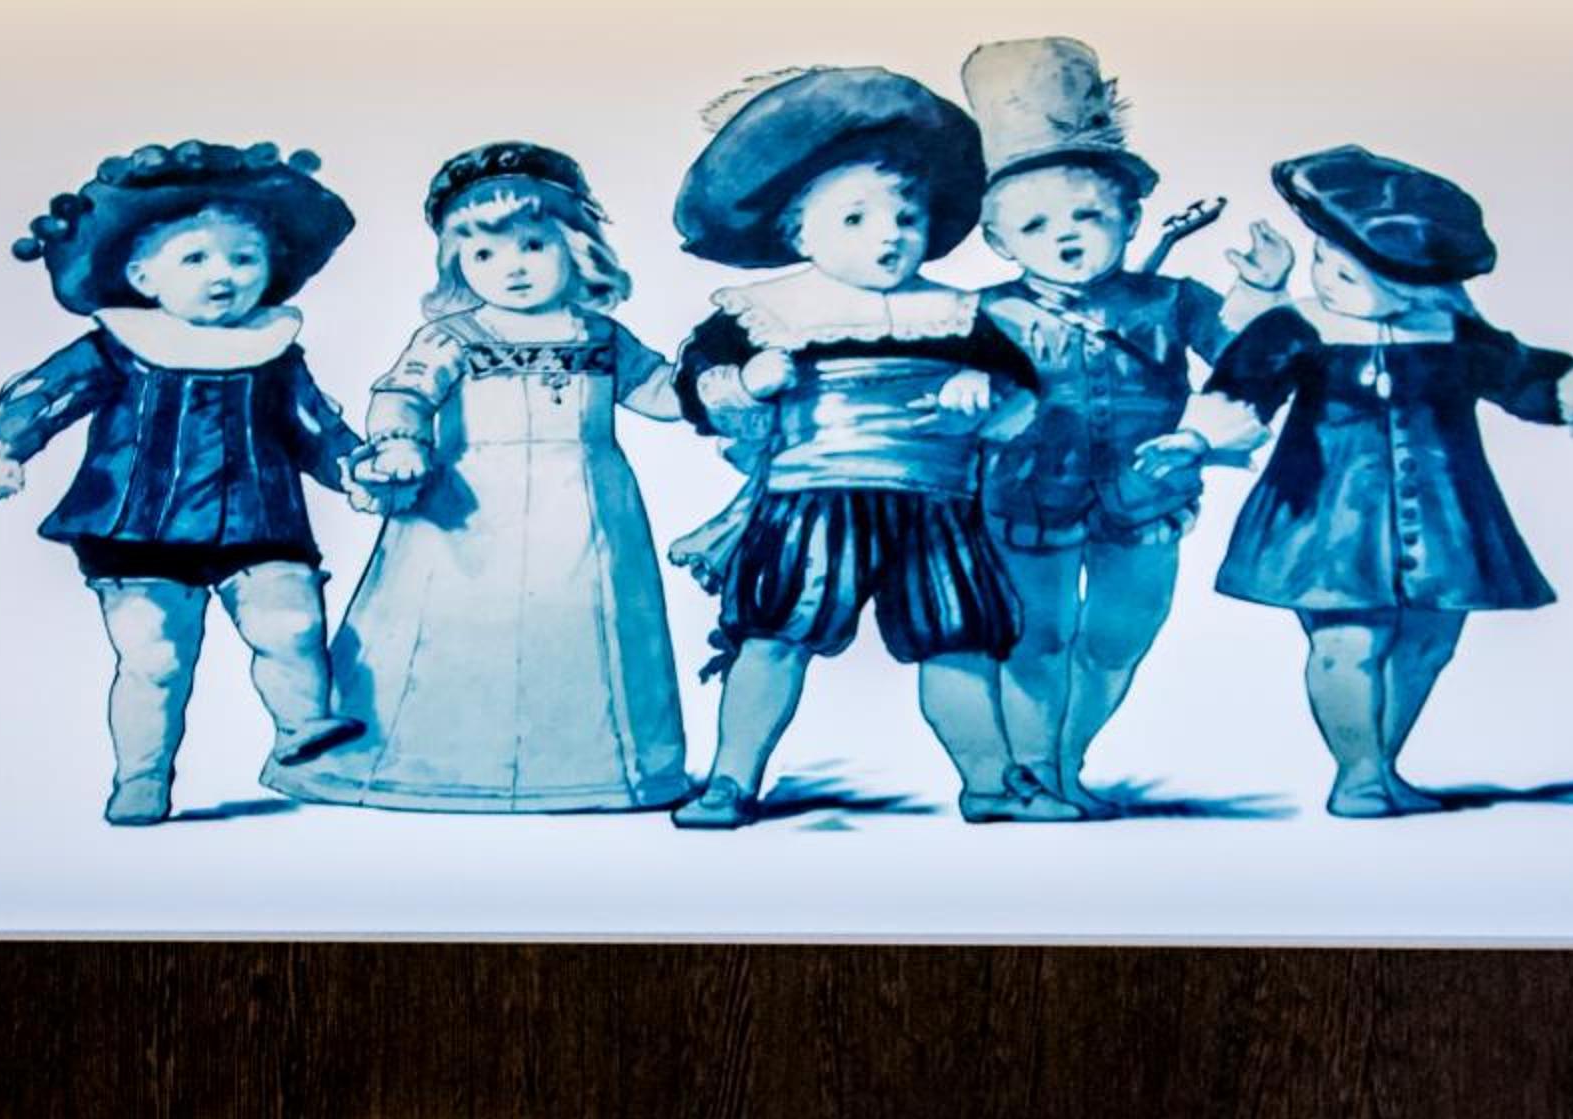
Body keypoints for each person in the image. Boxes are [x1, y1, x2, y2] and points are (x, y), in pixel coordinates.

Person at [0, 141, 374, 827]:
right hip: (136, 529)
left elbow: (313, 428)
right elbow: (39, 401)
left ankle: (303, 730)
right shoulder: (116, 347)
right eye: (195, 259)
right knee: (155, 661)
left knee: (291, 624)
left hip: (261, 521)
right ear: (144, 276)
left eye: (244, 258)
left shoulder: (275, 354)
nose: (224, 274)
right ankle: (141, 778)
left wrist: (360, 469)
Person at [1200, 144, 1573, 817]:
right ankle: (1358, 777)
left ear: (1412, 287)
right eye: (1322, 262)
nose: (1327, 281)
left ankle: (1379, 766)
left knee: (1430, 640)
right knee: (1346, 641)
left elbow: (1526, 378)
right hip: (1326, 518)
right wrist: (1196, 439)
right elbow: (1241, 388)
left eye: (1348, 275)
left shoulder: (1452, 332)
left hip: (1446, 517)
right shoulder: (1299, 326)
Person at [662, 66, 1053, 829]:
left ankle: (992, 781)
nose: (889, 234)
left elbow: (1023, 393)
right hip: (810, 503)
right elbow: (695, 387)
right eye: (855, 218)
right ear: (798, 232)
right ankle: (731, 780)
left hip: (937, 508)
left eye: (906, 216)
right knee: (774, 638)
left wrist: (985, 391)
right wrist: (747, 381)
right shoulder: (766, 311)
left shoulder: (957, 313)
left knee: (959, 642)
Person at [282, 144, 692, 813]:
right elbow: (403, 395)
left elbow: (660, 393)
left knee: (584, 630)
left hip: (587, 504)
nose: (513, 267)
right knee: (452, 631)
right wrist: (402, 441)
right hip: (466, 508)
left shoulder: (601, 335)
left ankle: (588, 773)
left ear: (577, 246)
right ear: (456, 262)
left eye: (533, 245)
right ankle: (430, 768)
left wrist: (723, 385)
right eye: (483, 254)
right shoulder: (451, 337)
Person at [960, 37, 1290, 813]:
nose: (1068, 235)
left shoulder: (1171, 300)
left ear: (1131, 218)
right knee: (1036, 638)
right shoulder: (983, 313)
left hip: (1147, 497)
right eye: (1035, 226)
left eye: (1089, 215)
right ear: (998, 241)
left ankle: (1067, 760)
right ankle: (1035, 774)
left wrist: (1262, 291)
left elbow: (1248, 360)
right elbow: (940, 388)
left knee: (1118, 639)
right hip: (1025, 500)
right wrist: (966, 385)